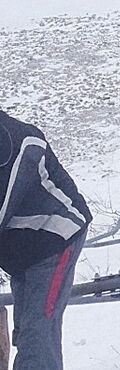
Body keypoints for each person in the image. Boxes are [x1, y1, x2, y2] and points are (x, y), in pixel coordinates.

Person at [0, 109, 92, 370]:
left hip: (54, 234)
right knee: (27, 330)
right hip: (20, 250)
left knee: (38, 332)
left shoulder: (17, 142)